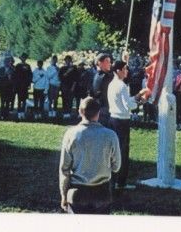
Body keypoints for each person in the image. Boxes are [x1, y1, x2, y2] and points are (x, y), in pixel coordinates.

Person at [59, 97, 121, 214]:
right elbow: (116, 166)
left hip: (77, 193)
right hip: (102, 193)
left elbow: (64, 169)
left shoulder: (70, 134)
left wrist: (63, 195)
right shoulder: (111, 135)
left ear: (80, 112)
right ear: (98, 113)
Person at [107, 60, 145, 190]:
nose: (127, 71)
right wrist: (140, 102)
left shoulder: (112, 84)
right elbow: (128, 105)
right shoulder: (121, 85)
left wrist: (137, 96)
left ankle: (113, 181)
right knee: (122, 152)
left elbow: (126, 101)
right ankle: (120, 183)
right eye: (124, 69)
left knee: (114, 151)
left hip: (113, 119)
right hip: (121, 121)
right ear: (118, 71)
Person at [14, 53, 33, 120]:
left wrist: (29, 84)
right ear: (21, 58)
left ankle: (23, 113)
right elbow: (15, 76)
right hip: (19, 85)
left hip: (25, 85)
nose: (23, 59)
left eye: (25, 57)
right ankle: (19, 113)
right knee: (19, 100)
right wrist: (16, 85)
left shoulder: (28, 66)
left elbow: (30, 76)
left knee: (24, 100)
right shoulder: (18, 66)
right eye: (22, 57)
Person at [60, 55, 78, 120]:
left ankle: (69, 112)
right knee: (64, 100)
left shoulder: (74, 68)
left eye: (68, 60)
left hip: (71, 86)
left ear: (70, 61)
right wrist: (67, 72)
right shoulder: (62, 68)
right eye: (66, 60)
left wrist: (73, 87)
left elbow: (76, 79)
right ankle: (65, 113)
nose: (67, 61)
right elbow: (61, 78)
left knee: (70, 100)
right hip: (64, 86)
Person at [0, 56, 16, 120]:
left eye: (8, 62)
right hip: (3, 87)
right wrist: (6, 74)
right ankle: (2, 114)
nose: (7, 63)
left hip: (10, 88)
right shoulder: (1, 69)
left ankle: (7, 115)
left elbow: (15, 78)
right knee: (2, 102)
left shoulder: (13, 69)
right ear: (4, 62)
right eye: (6, 62)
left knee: (8, 102)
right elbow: (0, 77)